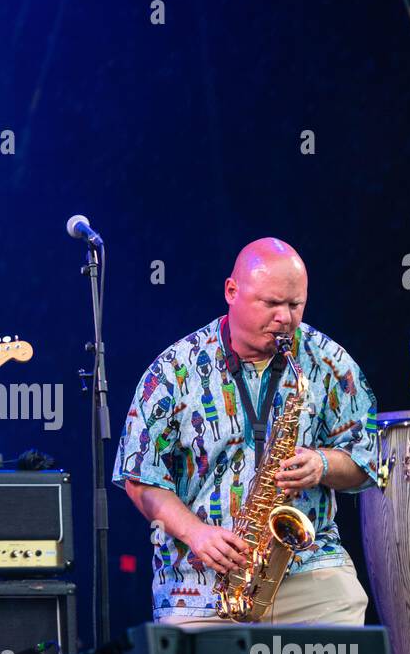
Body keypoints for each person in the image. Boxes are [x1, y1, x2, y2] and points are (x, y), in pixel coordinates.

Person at [115, 237, 378, 626]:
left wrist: (323, 464)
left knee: (345, 629)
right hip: (200, 582)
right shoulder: (173, 369)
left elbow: (369, 460)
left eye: (295, 305)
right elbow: (140, 478)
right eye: (271, 303)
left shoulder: (328, 360)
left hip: (308, 566)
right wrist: (197, 533)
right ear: (231, 291)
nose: (285, 318)